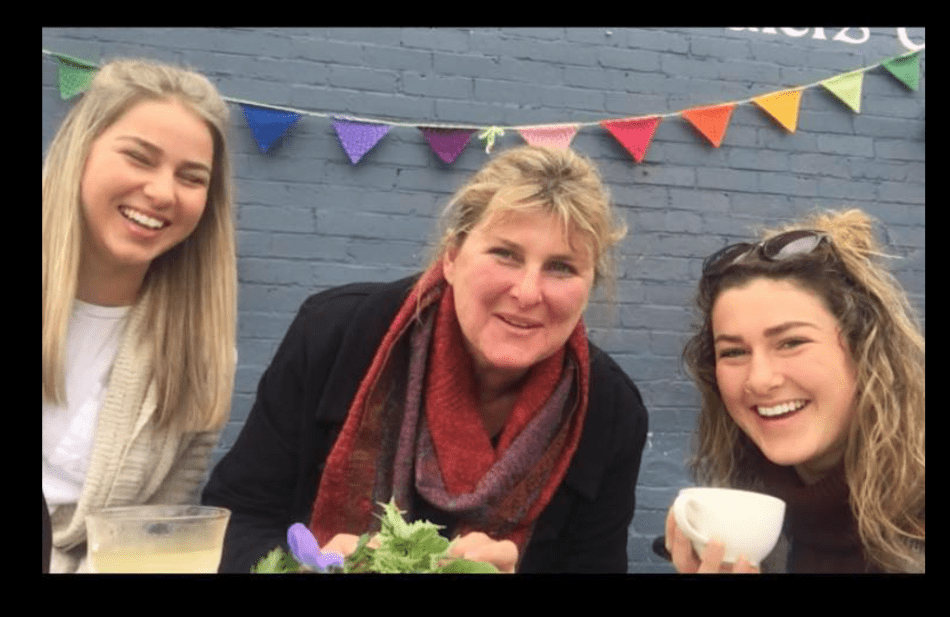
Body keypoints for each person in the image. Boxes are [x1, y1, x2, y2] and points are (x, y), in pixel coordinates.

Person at [202, 145, 649, 573]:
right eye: (505, 254)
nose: (528, 293)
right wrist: (307, 568)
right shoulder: (336, 334)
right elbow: (235, 520)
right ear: (452, 257)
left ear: (589, 285)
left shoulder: (610, 410)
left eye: (562, 267)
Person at [42, 58, 237, 573]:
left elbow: (152, 546)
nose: (161, 192)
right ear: (79, 152)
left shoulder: (206, 356)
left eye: (191, 177)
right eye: (139, 157)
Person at [665, 208, 924, 573]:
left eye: (790, 342)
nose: (759, 379)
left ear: (864, 350)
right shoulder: (747, 519)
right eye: (734, 352)